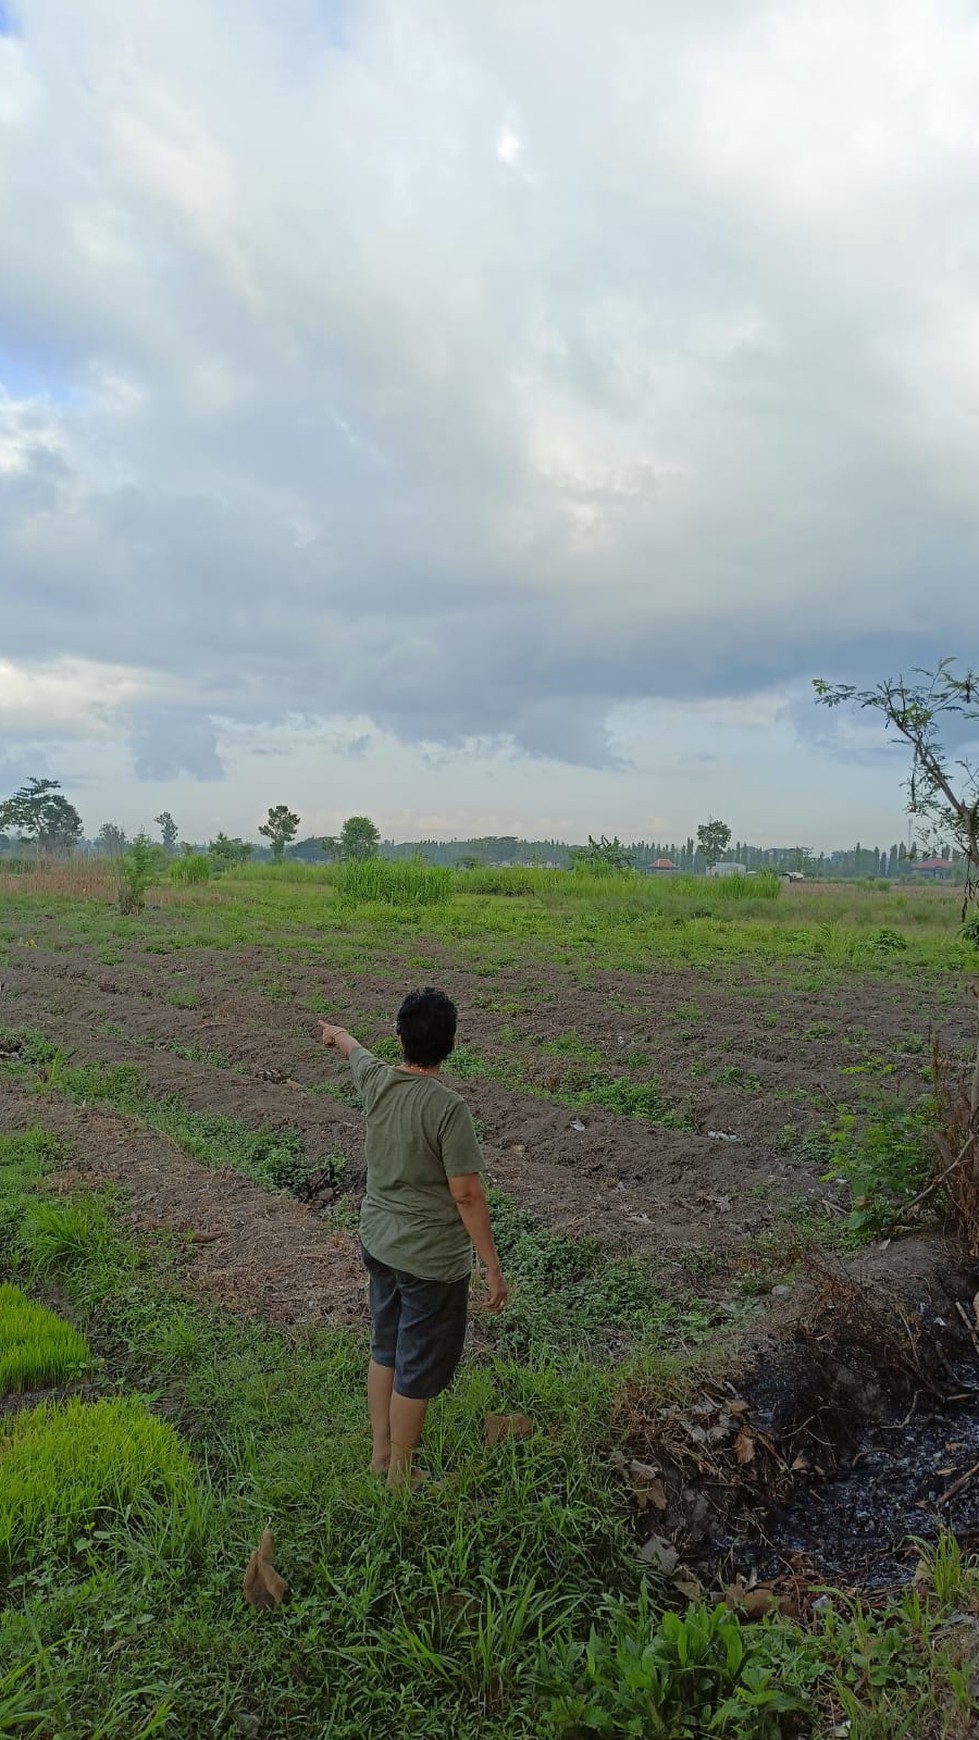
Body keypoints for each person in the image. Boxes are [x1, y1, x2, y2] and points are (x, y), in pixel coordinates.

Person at [318, 987, 508, 1488]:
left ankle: (381, 1455)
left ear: (399, 1037)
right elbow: (466, 1195)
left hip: (379, 1243)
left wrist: (336, 1034)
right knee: (416, 1367)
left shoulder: (378, 1081)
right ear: (450, 1045)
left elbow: (354, 1052)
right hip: (429, 1261)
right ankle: (400, 1473)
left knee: (385, 1348)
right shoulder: (448, 1109)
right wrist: (491, 1264)